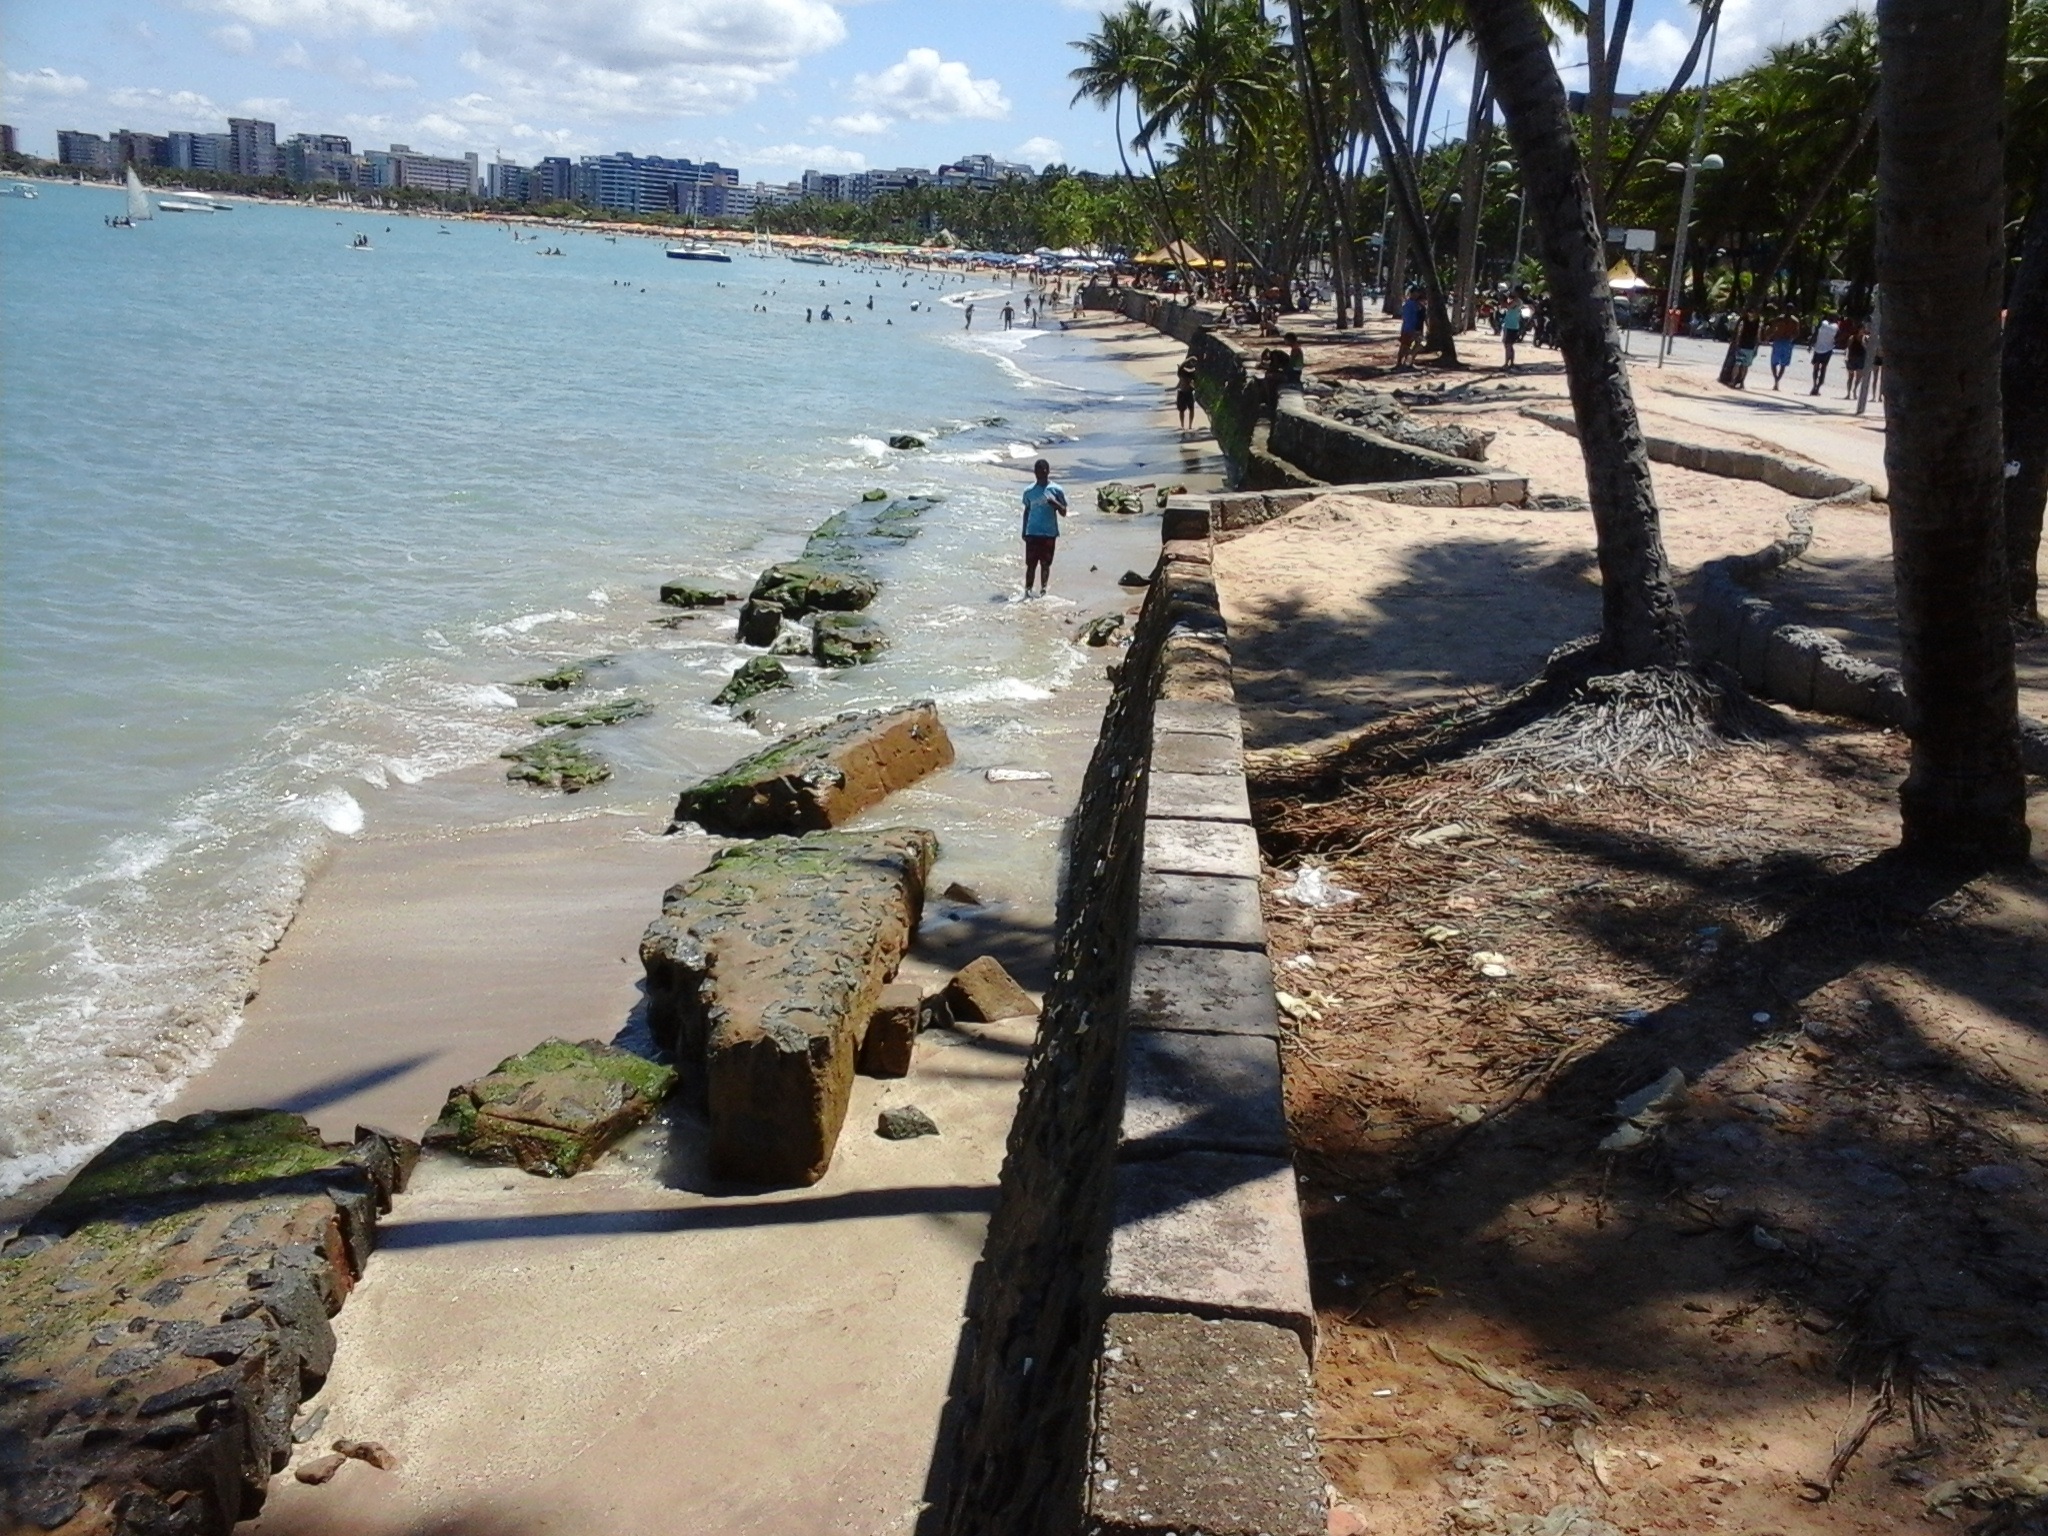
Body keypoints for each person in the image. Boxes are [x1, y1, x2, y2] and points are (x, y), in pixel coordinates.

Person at [1020, 459, 1069, 597]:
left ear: (1048, 472)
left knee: (1045, 564)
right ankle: (1027, 592)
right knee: (1031, 565)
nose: (1042, 473)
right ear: (1035, 473)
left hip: (1049, 533)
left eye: (1044, 471)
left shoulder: (1056, 490)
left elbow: (1064, 512)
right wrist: (1024, 530)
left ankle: (1043, 591)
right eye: (1039, 471)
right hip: (1032, 532)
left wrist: (1055, 504)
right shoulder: (1029, 491)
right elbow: (1027, 510)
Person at [1766, 312, 1799, 390]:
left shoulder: (1782, 319)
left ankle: (1776, 380)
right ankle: (1776, 380)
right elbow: (1797, 333)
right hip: (1784, 342)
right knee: (1781, 363)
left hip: (1781, 341)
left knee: (1776, 363)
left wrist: (1771, 335)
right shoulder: (1794, 320)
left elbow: (1772, 327)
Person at [1729, 311, 1761, 389]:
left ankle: (1733, 381)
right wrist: (1757, 347)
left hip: (1742, 345)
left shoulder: (1743, 322)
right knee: (1745, 366)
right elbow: (1758, 337)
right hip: (1750, 347)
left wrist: (1736, 342)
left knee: (1737, 363)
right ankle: (1742, 382)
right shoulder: (1758, 324)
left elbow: (1739, 333)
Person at [1809, 313, 1839, 394]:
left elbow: (1815, 334)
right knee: (1823, 368)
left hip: (1817, 348)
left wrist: (1810, 344)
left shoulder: (1822, 323)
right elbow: (1837, 338)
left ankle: (1814, 385)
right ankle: (1818, 387)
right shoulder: (1836, 327)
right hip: (1828, 349)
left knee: (1816, 367)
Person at [1396, 285, 1426, 367]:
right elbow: (1406, 317)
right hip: (1408, 328)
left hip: (1416, 328)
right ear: (1412, 293)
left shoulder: (1416, 304)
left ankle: (1408, 361)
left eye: (1418, 293)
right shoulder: (1409, 304)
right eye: (1415, 292)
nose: (1417, 294)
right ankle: (1401, 362)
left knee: (1418, 345)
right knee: (1405, 346)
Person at [1500, 286, 1527, 368]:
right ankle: (1510, 362)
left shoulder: (1516, 301)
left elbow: (1507, 306)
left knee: (1507, 344)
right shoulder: (1517, 301)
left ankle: (1507, 363)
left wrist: (1503, 299)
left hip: (1510, 325)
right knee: (1509, 345)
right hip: (1512, 324)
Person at [1174, 353, 1199, 431]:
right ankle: (1183, 426)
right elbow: (1181, 368)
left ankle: (1189, 426)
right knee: (1183, 410)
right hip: (1183, 392)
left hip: (1187, 392)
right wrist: (1189, 359)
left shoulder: (1191, 374)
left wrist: (1189, 360)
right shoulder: (1182, 373)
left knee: (1190, 409)